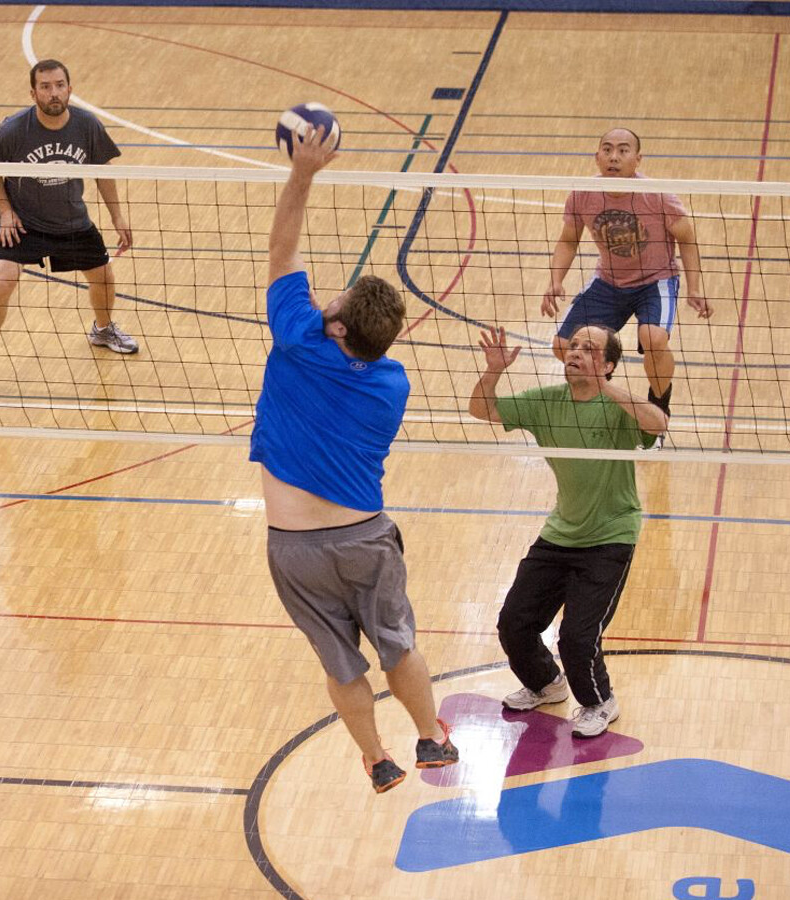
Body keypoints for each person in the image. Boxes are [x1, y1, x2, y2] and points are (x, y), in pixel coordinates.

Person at [252, 126, 457, 793]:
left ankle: (378, 759)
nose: (326, 299)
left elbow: (283, 247)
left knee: (342, 665)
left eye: (332, 303)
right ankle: (430, 738)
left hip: (297, 549)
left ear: (335, 327)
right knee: (399, 645)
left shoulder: (299, 340)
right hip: (366, 538)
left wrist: (304, 174)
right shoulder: (391, 381)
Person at [468, 324, 668, 737]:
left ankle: (600, 702)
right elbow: (481, 410)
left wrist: (604, 387)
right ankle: (546, 684)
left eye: (589, 349)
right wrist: (493, 371)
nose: (575, 352)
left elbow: (658, 423)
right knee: (514, 622)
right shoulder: (545, 402)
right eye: (573, 346)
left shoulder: (618, 407)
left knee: (576, 635)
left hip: (612, 535)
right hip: (561, 533)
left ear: (609, 364)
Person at [0, 58, 137, 400]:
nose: (53, 93)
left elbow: (103, 171)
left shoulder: (87, 125)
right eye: (45, 87)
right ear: (34, 93)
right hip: (23, 225)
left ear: (70, 89)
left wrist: (117, 216)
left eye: (59, 85)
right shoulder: (14, 129)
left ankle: (102, 330)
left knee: (102, 276)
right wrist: (5, 211)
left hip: (72, 222)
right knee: (1, 282)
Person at [543, 127, 711, 446]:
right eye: (607, 149)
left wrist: (694, 287)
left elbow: (687, 239)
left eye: (622, 150)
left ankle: (658, 410)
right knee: (562, 345)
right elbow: (568, 239)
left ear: (637, 159)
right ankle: (603, 399)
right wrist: (555, 280)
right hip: (609, 280)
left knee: (653, 338)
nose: (614, 157)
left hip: (655, 280)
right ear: (597, 157)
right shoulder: (583, 194)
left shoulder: (657, 195)